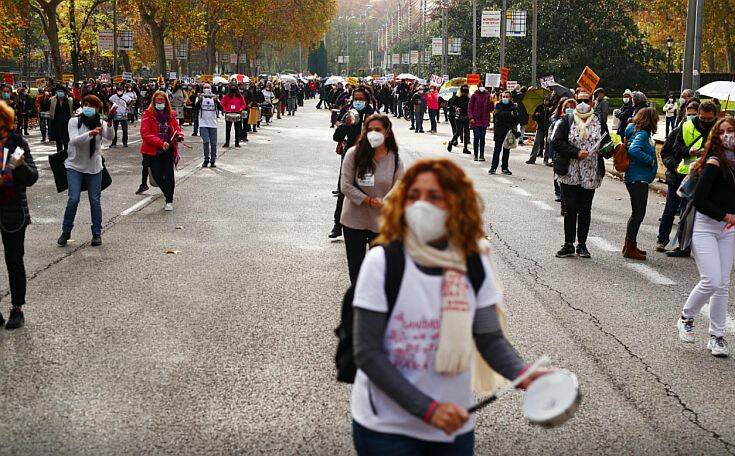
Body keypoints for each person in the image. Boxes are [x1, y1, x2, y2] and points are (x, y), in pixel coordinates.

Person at [351, 158, 549, 453]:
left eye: (434, 197)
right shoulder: (382, 262)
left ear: (456, 204)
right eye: (414, 196)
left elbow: (489, 337)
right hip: (386, 427)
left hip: (453, 426)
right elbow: (367, 352)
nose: (421, 205)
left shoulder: (474, 261)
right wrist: (429, 410)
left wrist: (522, 373)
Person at [676, 117, 735, 358]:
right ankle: (686, 317)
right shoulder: (714, 163)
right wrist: (725, 216)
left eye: (732, 130)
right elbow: (700, 201)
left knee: (723, 285)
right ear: (716, 137)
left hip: (728, 231)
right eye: (724, 132)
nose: (729, 135)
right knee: (711, 280)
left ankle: (717, 337)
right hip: (705, 227)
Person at [339, 114, 404, 284]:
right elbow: (345, 186)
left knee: (380, 269)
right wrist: (368, 200)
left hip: (381, 221)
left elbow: (400, 184)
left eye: (378, 130)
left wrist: (386, 200)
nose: (373, 133)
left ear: (387, 133)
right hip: (354, 219)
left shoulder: (395, 158)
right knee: (356, 269)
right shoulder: (353, 154)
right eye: (370, 130)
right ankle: (358, 302)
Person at [552, 90, 610, 259]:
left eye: (586, 100)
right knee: (570, 209)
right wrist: (576, 152)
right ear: (576, 102)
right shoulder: (566, 120)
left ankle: (582, 245)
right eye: (580, 100)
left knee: (585, 210)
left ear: (592, 103)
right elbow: (556, 142)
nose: (583, 103)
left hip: (590, 173)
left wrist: (610, 149)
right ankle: (568, 244)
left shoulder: (599, 121)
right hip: (569, 172)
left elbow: (606, 143)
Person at [661, 100, 717, 257]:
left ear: (715, 116)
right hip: (688, 174)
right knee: (686, 212)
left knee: (707, 214)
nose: (705, 122)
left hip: (711, 175)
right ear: (698, 114)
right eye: (702, 118)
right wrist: (689, 151)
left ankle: (705, 247)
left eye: (709, 119)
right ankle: (683, 245)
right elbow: (675, 149)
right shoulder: (686, 126)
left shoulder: (719, 129)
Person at [0, 100, 39, 330]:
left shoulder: (17, 143)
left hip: (13, 210)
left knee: (14, 260)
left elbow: (32, 177)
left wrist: (20, 166)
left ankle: (17, 308)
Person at [57, 95, 113, 247]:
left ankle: (96, 233)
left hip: (94, 167)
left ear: (98, 109)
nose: (89, 108)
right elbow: (74, 140)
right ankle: (66, 231)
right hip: (74, 166)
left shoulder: (100, 122)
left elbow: (110, 136)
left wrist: (110, 122)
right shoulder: (74, 121)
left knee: (95, 200)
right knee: (73, 198)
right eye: (86, 104)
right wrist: (91, 133)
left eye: (92, 106)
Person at [329, 88, 376, 240]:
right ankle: (338, 225)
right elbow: (337, 137)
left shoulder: (373, 116)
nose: (358, 102)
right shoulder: (349, 112)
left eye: (361, 99)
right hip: (349, 157)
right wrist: (346, 124)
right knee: (344, 192)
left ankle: (368, 226)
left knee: (368, 191)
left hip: (367, 159)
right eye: (356, 98)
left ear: (367, 101)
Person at [622, 107, 659, 260]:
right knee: (638, 214)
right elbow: (634, 150)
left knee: (637, 214)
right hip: (638, 178)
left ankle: (629, 245)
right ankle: (630, 247)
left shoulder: (633, 130)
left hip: (635, 177)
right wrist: (650, 160)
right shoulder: (643, 134)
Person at [140, 91, 183, 211]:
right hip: (153, 150)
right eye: (157, 100)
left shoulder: (171, 114)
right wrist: (160, 143)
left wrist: (179, 135)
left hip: (168, 149)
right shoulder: (147, 114)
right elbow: (145, 134)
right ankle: (167, 193)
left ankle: (169, 200)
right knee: (157, 176)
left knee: (169, 175)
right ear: (153, 101)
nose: (160, 102)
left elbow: (177, 129)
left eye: (162, 100)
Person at [489, 91, 519, 175]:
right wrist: (509, 114)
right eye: (503, 96)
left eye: (507, 96)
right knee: (497, 150)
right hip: (499, 131)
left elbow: (516, 118)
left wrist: (507, 115)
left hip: (508, 132)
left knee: (506, 150)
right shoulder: (498, 105)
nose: (505, 98)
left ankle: (505, 168)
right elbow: (498, 115)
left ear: (510, 98)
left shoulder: (514, 106)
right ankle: (493, 167)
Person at [195, 83, 221, 168]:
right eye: (205, 87)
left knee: (213, 143)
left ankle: (213, 160)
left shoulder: (214, 97)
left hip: (213, 124)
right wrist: (199, 100)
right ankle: (206, 159)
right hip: (203, 123)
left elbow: (221, 108)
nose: (206, 89)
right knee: (206, 141)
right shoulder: (200, 97)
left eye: (208, 87)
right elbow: (195, 109)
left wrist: (217, 101)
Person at [467, 84, 493, 162]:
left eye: (483, 86)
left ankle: (482, 155)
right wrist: (471, 117)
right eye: (480, 86)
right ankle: (476, 154)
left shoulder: (488, 95)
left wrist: (491, 102)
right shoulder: (474, 95)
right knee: (476, 137)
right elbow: (470, 107)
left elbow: (491, 109)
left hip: (484, 120)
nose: (482, 88)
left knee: (482, 139)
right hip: (475, 120)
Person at [526, 97, 552, 164]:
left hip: (548, 128)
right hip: (540, 127)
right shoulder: (539, 107)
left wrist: (549, 112)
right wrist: (537, 115)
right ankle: (532, 158)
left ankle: (546, 160)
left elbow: (552, 118)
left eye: (547, 100)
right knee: (536, 143)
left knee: (547, 144)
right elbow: (534, 117)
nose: (546, 102)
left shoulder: (551, 108)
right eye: (545, 100)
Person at [49, 86, 74, 153]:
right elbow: (45, 106)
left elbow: (74, 108)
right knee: (58, 140)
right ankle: (59, 155)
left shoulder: (69, 100)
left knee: (66, 140)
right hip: (56, 122)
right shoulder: (53, 100)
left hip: (66, 123)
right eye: (58, 92)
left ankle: (66, 154)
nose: (60, 93)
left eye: (62, 92)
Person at [447, 85, 470, 155]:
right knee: (458, 132)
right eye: (463, 91)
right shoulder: (457, 97)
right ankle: (451, 142)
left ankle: (465, 148)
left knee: (466, 133)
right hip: (459, 116)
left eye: (466, 91)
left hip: (466, 116)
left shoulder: (469, 98)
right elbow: (452, 105)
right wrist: (456, 108)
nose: (464, 93)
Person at [222, 84, 246, 148]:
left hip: (237, 113)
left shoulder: (240, 96)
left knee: (237, 129)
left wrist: (240, 109)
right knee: (228, 129)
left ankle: (237, 143)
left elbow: (244, 104)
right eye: (232, 87)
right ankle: (227, 143)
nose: (233, 89)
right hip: (229, 113)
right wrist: (225, 110)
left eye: (234, 87)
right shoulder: (227, 96)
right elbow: (222, 103)